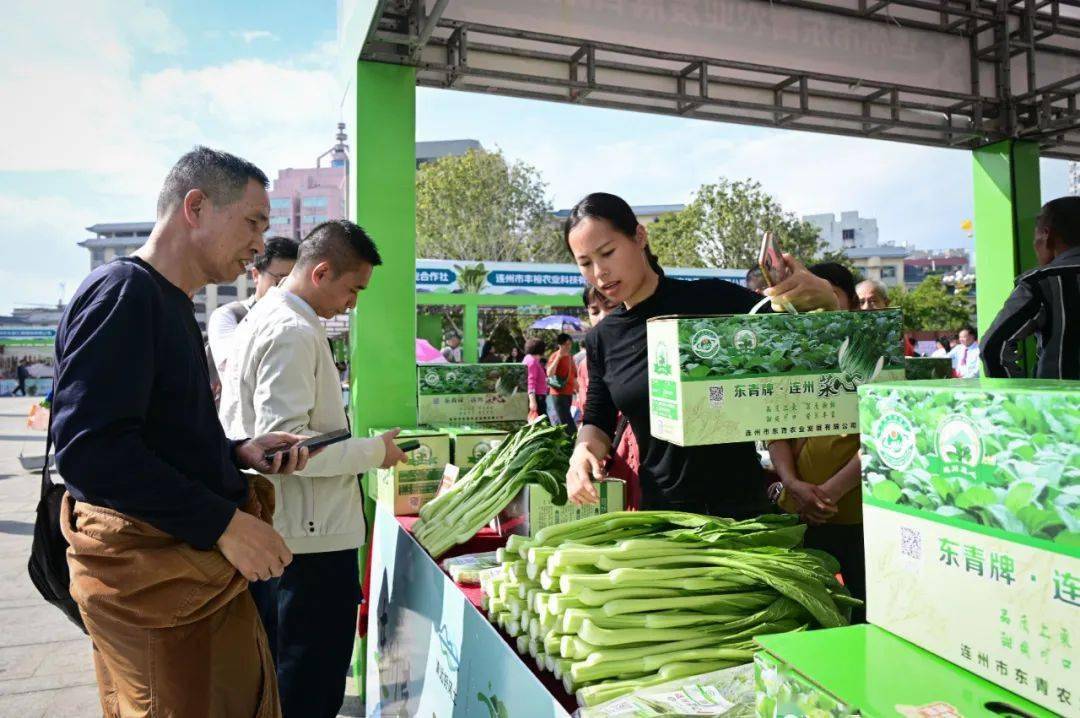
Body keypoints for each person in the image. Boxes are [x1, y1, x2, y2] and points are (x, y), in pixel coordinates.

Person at [51, 146, 315, 717]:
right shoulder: (124, 293)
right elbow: (91, 451)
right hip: (158, 589)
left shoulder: (168, 301)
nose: (258, 245)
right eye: (252, 222)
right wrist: (222, 523)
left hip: (186, 584)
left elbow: (149, 436)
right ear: (195, 206)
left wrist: (235, 451)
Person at [220, 220, 406, 718]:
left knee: (284, 680)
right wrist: (375, 452)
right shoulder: (292, 331)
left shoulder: (266, 316)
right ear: (321, 272)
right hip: (307, 543)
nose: (354, 303)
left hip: (286, 534)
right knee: (308, 683)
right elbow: (287, 450)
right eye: (353, 289)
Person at [563, 192, 840, 516]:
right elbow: (598, 417)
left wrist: (824, 299)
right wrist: (581, 453)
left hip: (742, 511)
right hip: (666, 516)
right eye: (585, 263)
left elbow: (811, 345)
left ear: (639, 237)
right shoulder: (602, 339)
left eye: (607, 253)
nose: (599, 273)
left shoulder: (713, 300)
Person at [768, 261, 866, 622]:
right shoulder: (791, 359)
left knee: (860, 608)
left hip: (855, 516)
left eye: (825, 299)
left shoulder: (871, 356)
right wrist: (793, 484)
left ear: (851, 304)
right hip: (799, 513)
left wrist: (829, 493)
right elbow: (773, 429)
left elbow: (881, 438)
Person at [983, 196, 1080, 379]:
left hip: (1060, 404)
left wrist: (1016, 397)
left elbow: (992, 347)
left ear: (1047, 235)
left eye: (1035, 238)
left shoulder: (1041, 283)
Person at [575, 285, 641, 508]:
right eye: (594, 311)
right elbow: (591, 413)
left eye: (610, 306)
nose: (602, 316)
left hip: (644, 455)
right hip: (615, 456)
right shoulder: (587, 363)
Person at [208, 235, 300, 380]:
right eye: (280, 281)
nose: (286, 290)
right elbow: (235, 370)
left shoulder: (299, 320)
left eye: (292, 283)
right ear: (256, 275)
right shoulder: (229, 315)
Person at [546, 332, 578, 434]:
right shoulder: (554, 356)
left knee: (566, 420)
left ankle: (570, 441)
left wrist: (578, 389)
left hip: (569, 393)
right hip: (558, 394)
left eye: (570, 344)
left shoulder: (570, 356)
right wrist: (558, 358)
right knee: (566, 422)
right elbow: (549, 373)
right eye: (566, 344)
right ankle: (573, 441)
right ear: (560, 345)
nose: (568, 346)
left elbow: (573, 375)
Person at [522, 338, 549, 421]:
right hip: (537, 397)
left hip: (536, 396)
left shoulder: (527, 359)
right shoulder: (532, 361)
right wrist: (533, 401)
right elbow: (531, 381)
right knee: (543, 424)